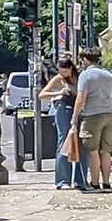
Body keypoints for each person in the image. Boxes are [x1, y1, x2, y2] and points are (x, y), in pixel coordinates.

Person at [74, 47, 112, 192]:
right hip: (110, 116)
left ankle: (95, 183)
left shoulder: (85, 76)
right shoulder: (109, 75)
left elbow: (80, 98)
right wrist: (109, 105)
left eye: (81, 60)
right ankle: (107, 183)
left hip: (92, 116)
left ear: (85, 59)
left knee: (93, 150)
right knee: (106, 151)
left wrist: (75, 116)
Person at [39, 56, 79, 190]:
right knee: (64, 143)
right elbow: (42, 94)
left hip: (79, 111)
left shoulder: (79, 77)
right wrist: (58, 93)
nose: (63, 75)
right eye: (60, 72)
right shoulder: (59, 79)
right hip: (64, 110)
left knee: (80, 144)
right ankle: (62, 181)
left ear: (71, 68)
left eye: (65, 72)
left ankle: (79, 180)